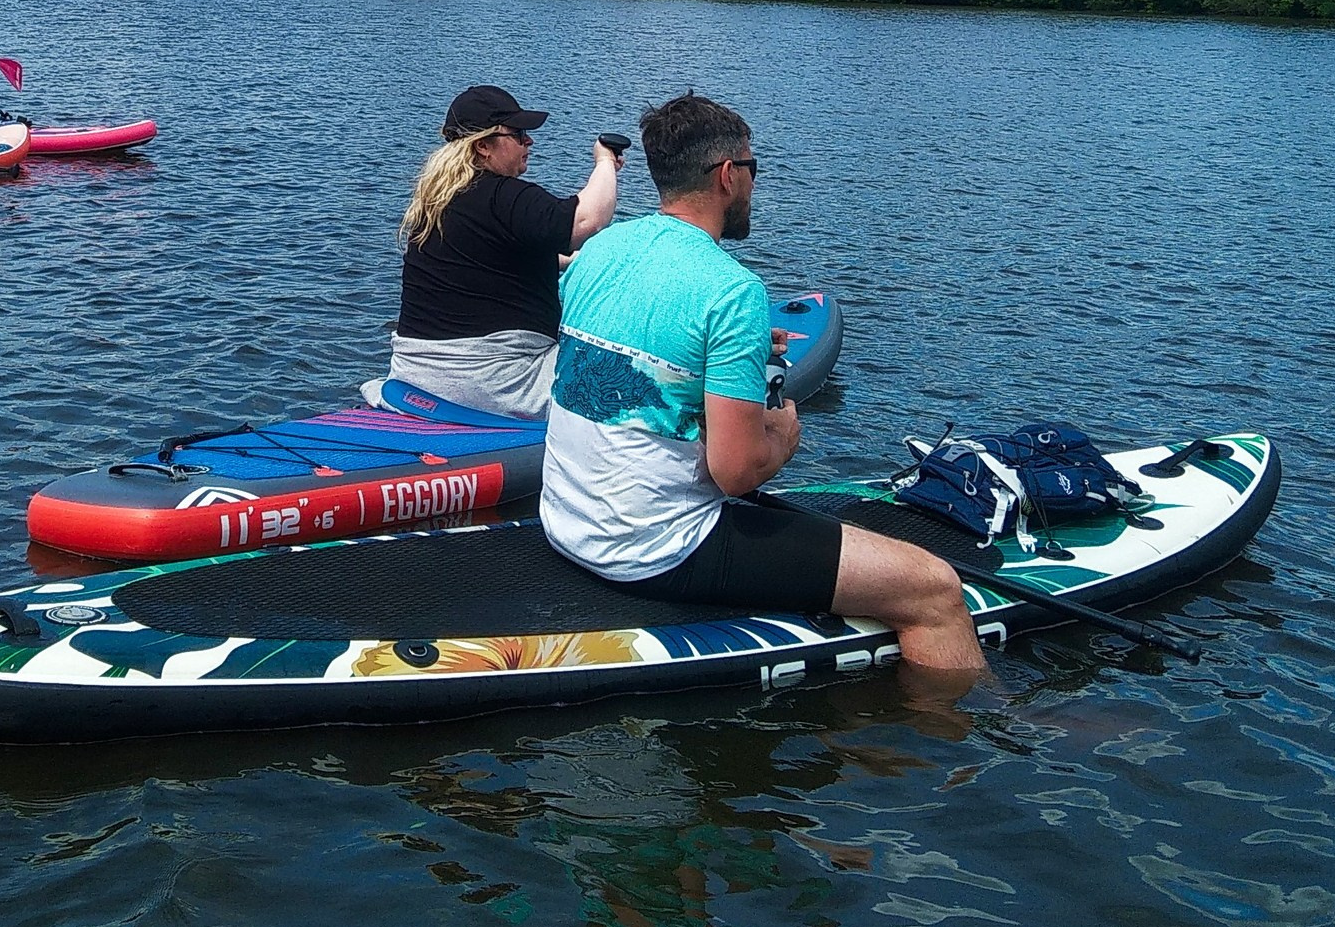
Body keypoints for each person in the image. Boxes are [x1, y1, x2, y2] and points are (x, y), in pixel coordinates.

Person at [542, 92, 991, 684]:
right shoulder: (732, 292)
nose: (755, 183)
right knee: (935, 591)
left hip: (565, 522)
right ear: (728, 175)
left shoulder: (598, 251)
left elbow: (640, 371)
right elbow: (737, 473)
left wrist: (736, 356)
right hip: (654, 549)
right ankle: (965, 732)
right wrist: (782, 436)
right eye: (753, 169)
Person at [387, 84, 625, 418]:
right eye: (519, 134)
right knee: (629, 373)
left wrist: (582, 260)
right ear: (483, 145)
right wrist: (604, 162)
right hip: (494, 383)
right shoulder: (504, 196)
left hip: (415, 376)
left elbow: (489, 263)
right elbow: (587, 220)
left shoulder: (436, 203)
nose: (529, 141)